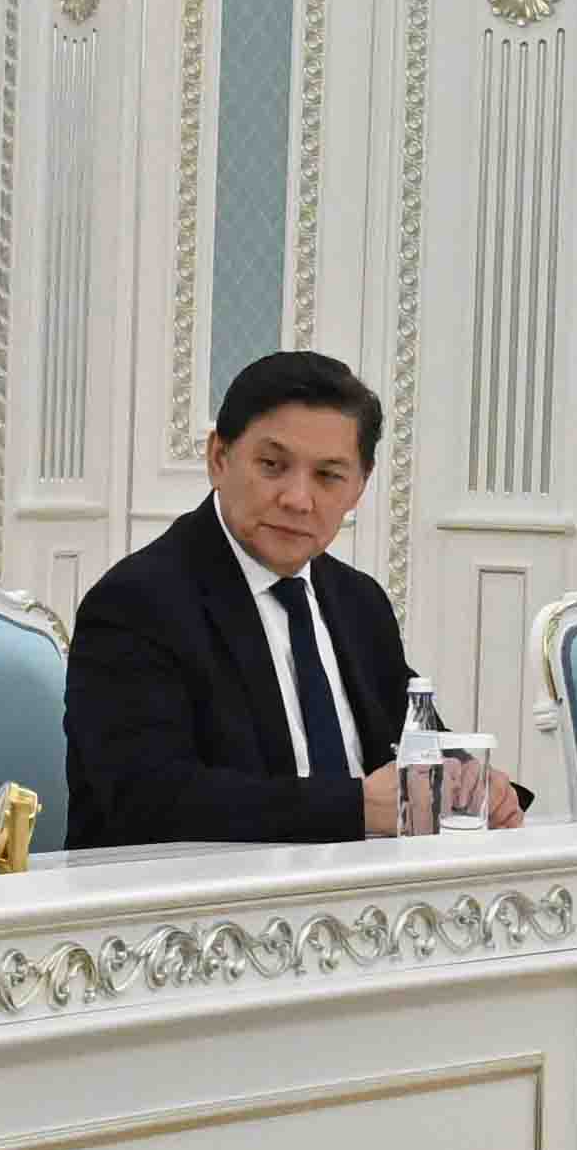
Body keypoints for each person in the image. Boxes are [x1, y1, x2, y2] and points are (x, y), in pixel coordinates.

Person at [69, 351, 524, 851]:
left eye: (329, 476)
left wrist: (471, 782)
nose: (298, 499)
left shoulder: (359, 602)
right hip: (193, 894)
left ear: (359, 487)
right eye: (272, 466)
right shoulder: (136, 603)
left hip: (370, 886)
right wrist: (356, 807)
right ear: (218, 458)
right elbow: (148, 799)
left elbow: (418, 747)